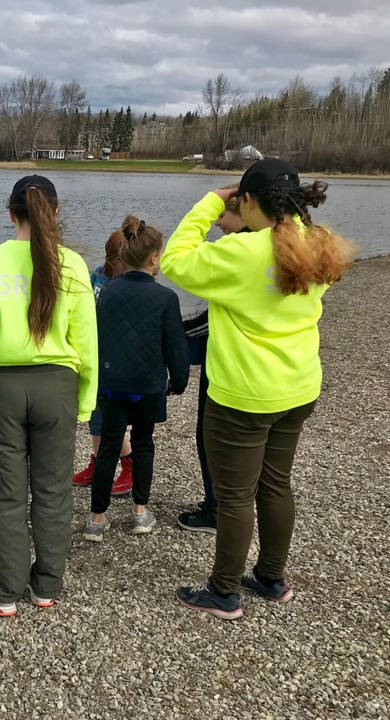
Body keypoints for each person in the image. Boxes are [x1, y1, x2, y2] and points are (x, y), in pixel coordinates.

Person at [161, 159, 356, 620]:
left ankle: (224, 590)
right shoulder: (318, 243)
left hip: (244, 394)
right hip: (299, 386)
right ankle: (270, 577)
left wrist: (211, 202)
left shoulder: (242, 254)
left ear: (247, 202)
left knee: (234, 496)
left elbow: (174, 259)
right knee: (276, 483)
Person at [0, 175, 97, 616]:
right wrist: (87, 398)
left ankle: (6, 589)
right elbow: (86, 339)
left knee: (8, 493)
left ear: (10, 213)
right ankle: (46, 587)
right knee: (54, 491)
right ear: (54, 212)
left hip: (4, 388)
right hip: (57, 386)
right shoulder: (72, 263)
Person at [83, 217, 189, 542]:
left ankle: (97, 519)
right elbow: (175, 347)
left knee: (109, 449)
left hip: (112, 384)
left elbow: (94, 338)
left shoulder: (106, 293)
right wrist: (179, 381)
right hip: (147, 387)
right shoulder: (166, 299)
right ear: (154, 257)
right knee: (143, 445)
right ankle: (140, 513)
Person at [177, 189, 250, 534]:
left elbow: (177, 260)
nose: (218, 222)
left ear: (245, 211)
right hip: (274, 373)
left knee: (212, 439)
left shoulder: (235, 253)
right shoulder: (285, 247)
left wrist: (172, 333)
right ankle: (236, 507)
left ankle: (218, 508)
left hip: (226, 366)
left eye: (223, 215)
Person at [71, 220, 134, 495]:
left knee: (110, 418)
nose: (119, 266)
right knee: (93, 416)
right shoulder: (96, 276)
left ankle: (130, 464)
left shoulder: (132, 285)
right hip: (92, 356)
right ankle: (97, 463)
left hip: (115, 361)